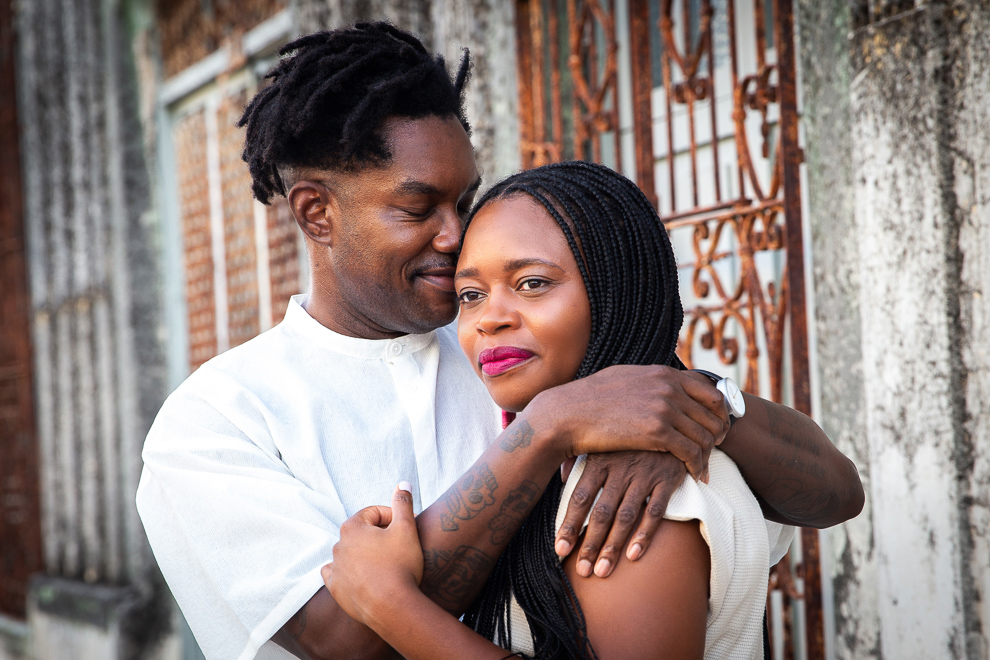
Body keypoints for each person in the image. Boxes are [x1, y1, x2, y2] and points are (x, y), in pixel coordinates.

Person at [136, 22, 864, 660]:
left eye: (464, 201)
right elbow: (344, 640)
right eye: (418, 207)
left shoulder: (521, 356)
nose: (455, 238)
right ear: (317, 212)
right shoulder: (216, 421)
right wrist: (549, 430)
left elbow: (834, 494)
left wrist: (692, 408)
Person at [326, 161, 794, 660]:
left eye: (531, 283)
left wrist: (391, 605)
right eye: (471, 295)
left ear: (616, 288)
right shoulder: (563, 465)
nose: (491, 319)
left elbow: (841, 491)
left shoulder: (636, 499)